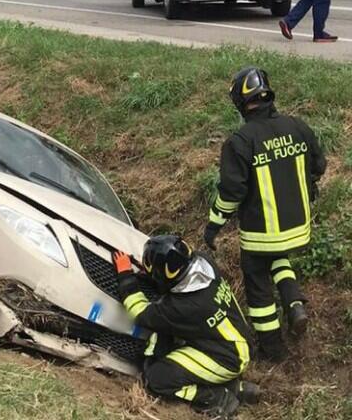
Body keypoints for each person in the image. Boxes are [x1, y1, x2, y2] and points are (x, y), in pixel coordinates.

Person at [205, 66, 325, 362]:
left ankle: (273, 350)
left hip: (261, 233)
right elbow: (319, 167)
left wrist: (212, 226)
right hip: (298, 227)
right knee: (279, 257)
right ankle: (294, 302)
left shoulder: (240, 141)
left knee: (258, 287)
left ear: (240, 101)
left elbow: (232, 194)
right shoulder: (298, 126)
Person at [114, 235, 258, 417]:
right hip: (238, 341)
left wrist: (125, 276)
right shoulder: (205, 264)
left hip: (226, 358)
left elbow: (141, 313)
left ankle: (218, 398)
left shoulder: (183, 307)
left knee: (157, 378)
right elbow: (172, 285)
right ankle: (236, 388)